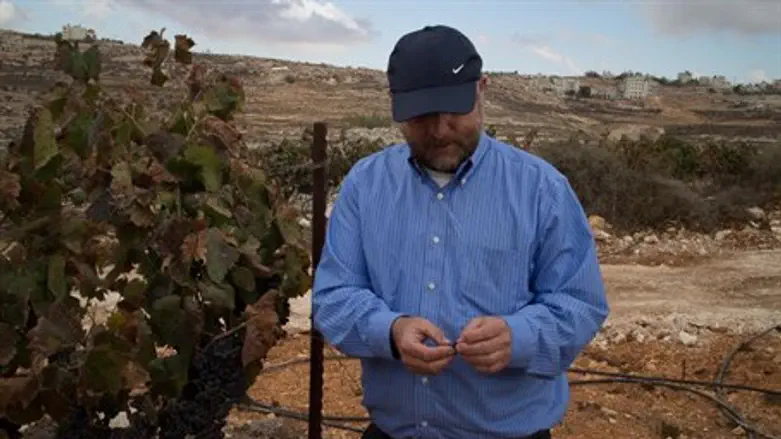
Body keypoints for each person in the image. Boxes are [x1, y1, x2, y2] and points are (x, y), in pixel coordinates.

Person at [312, 24, 609, 439]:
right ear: (394, 103)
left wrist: (517, 337)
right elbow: (333, 297)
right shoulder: (366, 185)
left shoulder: (542, 190)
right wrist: (391, 331)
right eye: (421, 116)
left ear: (482, 89)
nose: (438, 130)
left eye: (453, 110)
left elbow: (580, 304)